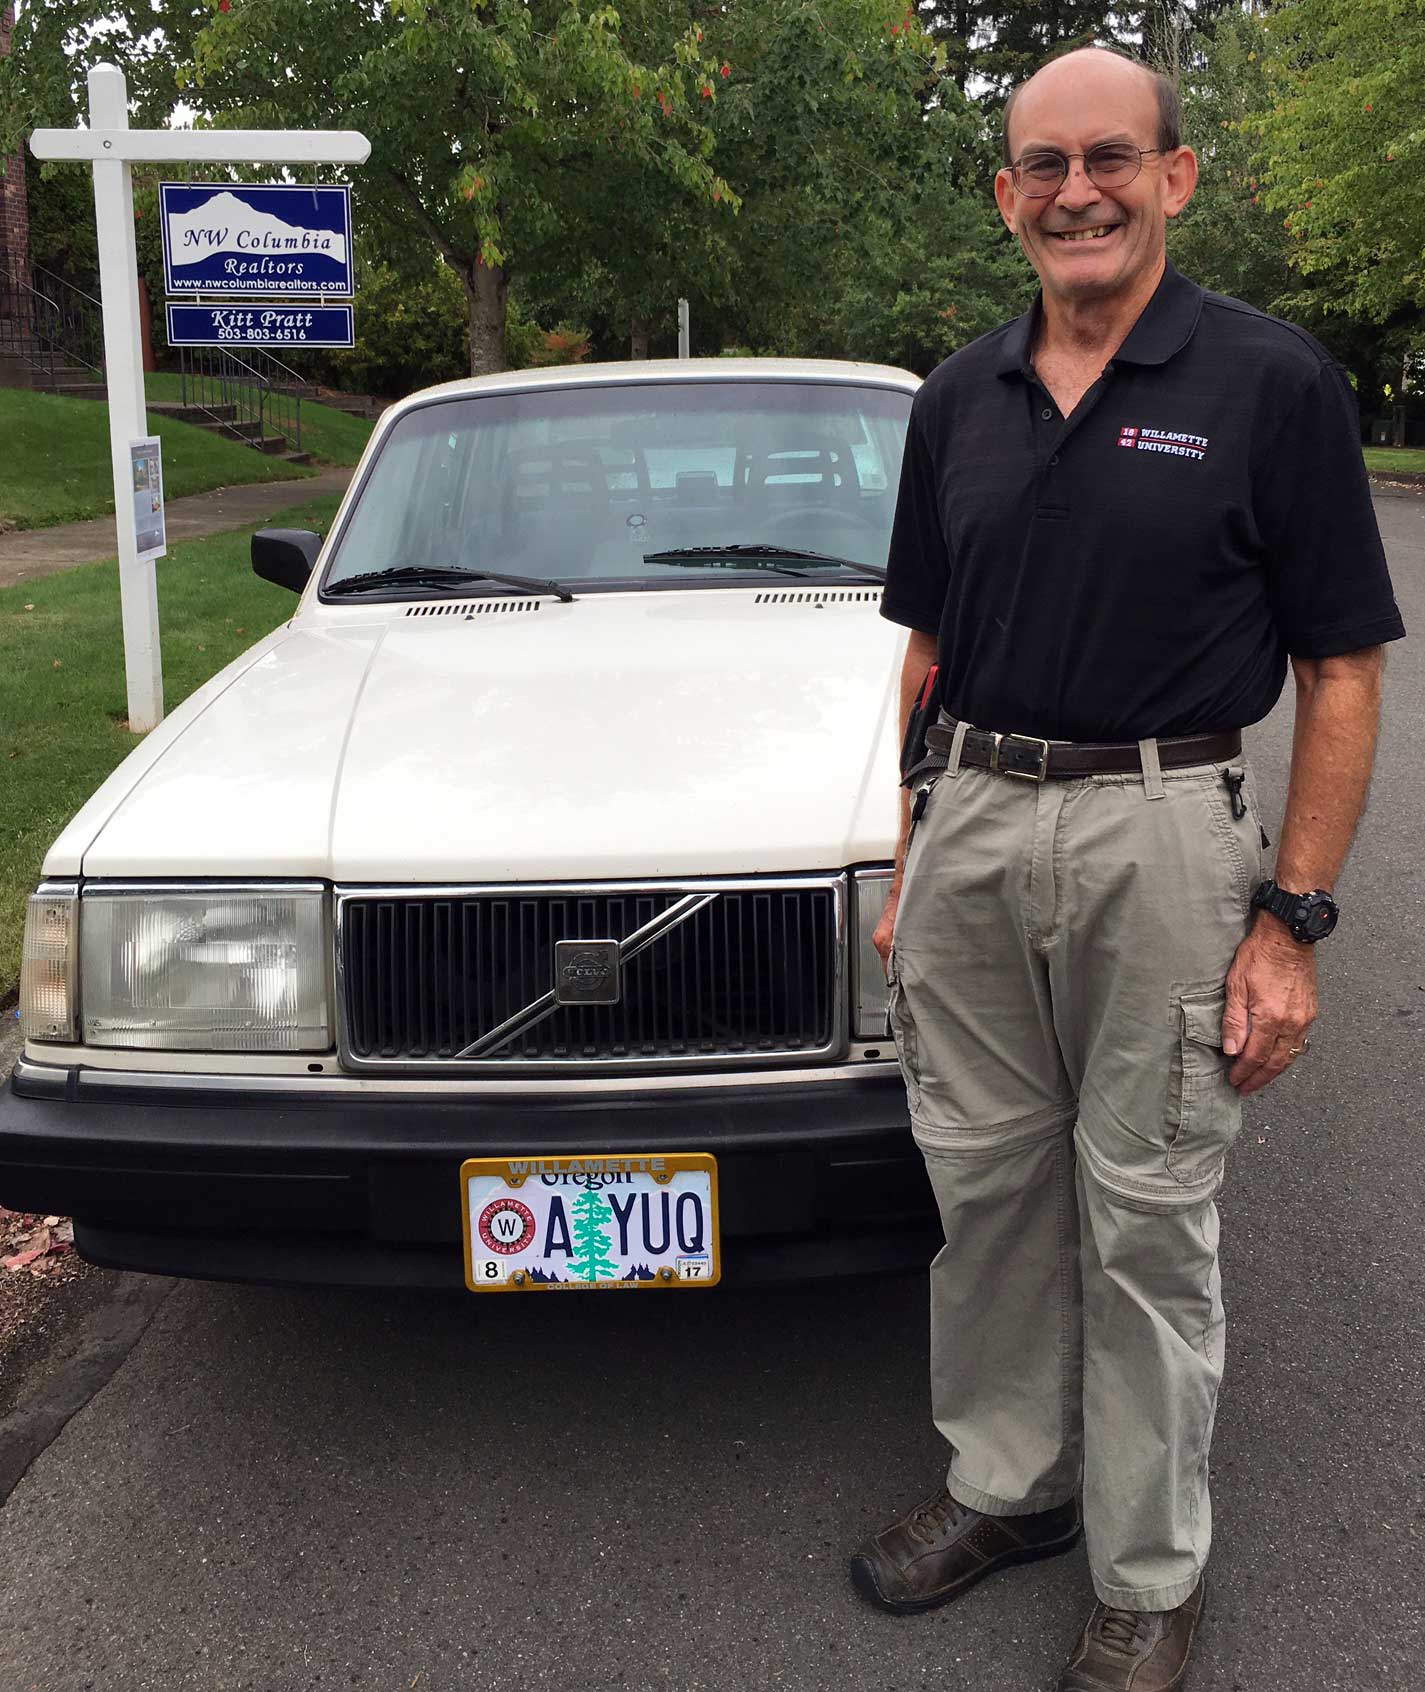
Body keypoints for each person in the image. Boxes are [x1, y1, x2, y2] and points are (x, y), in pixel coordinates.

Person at [850, 44, 1405, 1692]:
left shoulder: (1269, 383)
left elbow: (1346, 671)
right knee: (986, 1192)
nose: (1071, 190)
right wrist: (911, 843)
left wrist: (1289, 922)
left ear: (1173, 174)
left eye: (1107, 157)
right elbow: (926, 648)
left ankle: (1149, 1573)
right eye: (1039, 164)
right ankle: (1009, 1489)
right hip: (970, 825)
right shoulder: (957, 396)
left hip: (1162, 833)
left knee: (1150, 1213)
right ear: (1003, 193)